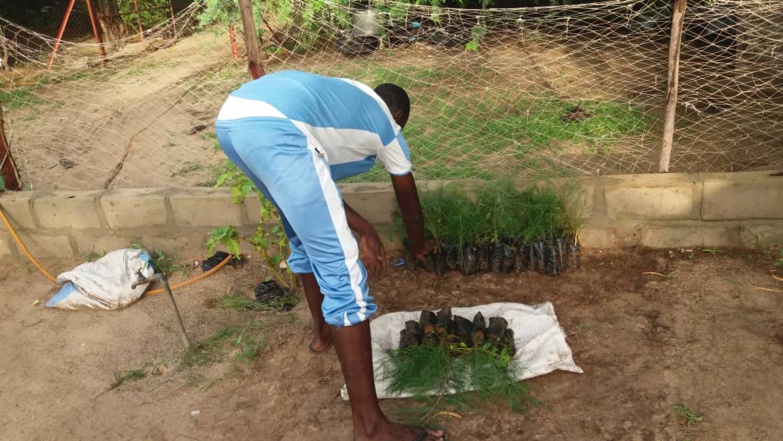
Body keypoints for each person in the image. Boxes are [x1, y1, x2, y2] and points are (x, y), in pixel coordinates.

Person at [215, 70, 443, 441]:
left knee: (304, 239)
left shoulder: (349, 96)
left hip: (233, 120)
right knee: (345, 275)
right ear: (399, 116)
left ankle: (323, 333)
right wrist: (417, 246)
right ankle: (371, 429)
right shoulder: (388, 128)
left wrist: (364, 227)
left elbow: (317, 190)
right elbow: (409, 202)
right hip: (276, 127)